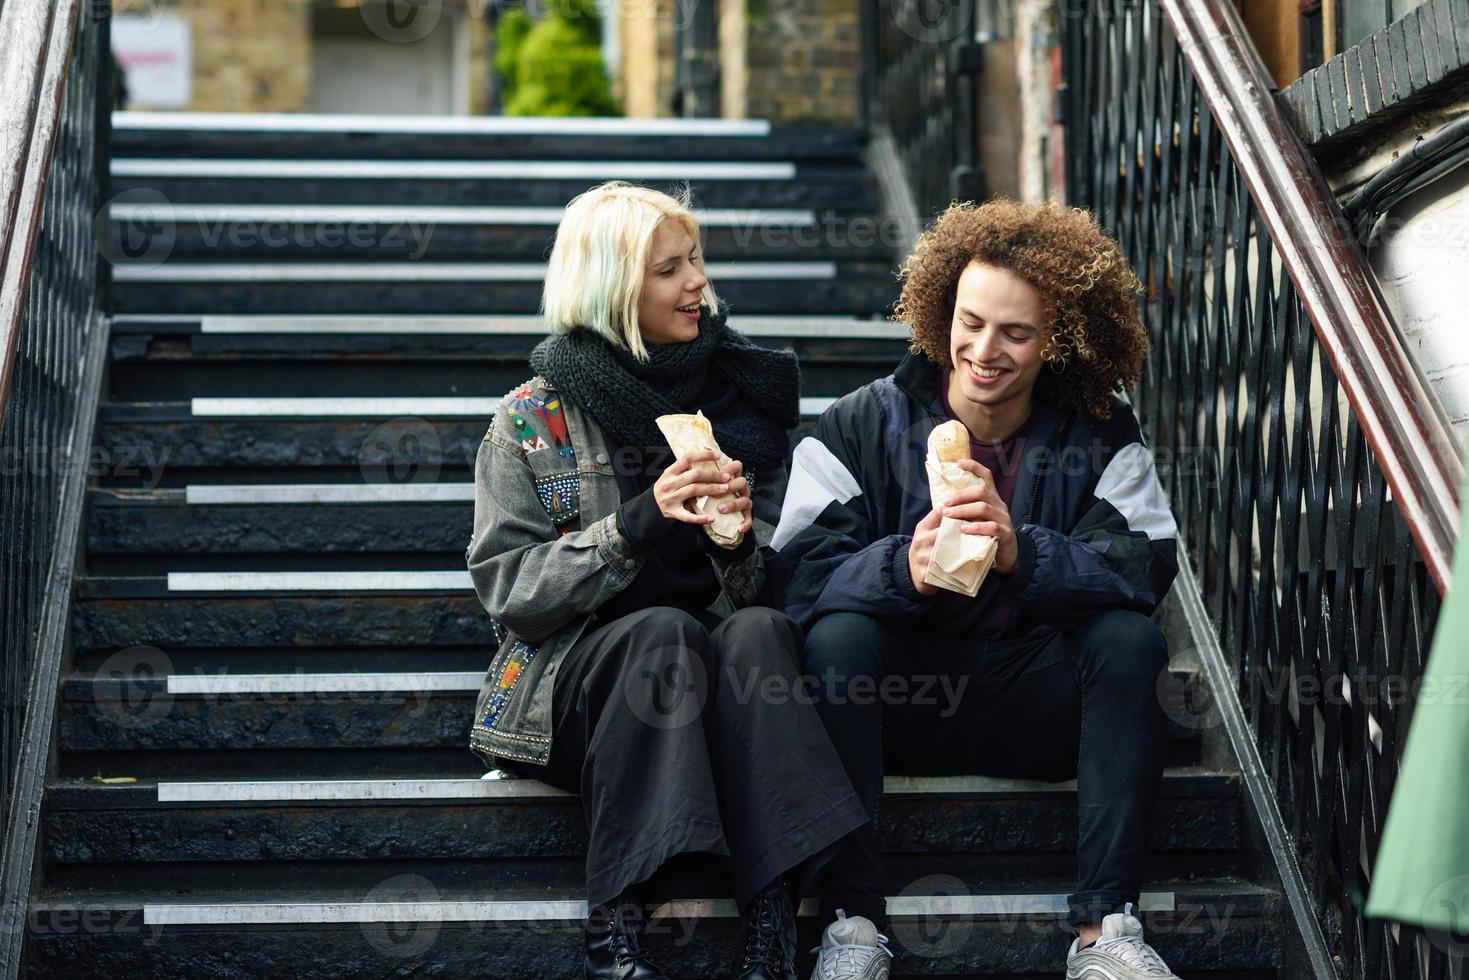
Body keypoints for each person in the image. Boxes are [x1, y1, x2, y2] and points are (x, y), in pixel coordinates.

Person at [465, 181, 869, 980]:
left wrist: (737, 540)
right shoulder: (530, 419)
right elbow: (510, 592)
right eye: (669, 270)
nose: (697, 285)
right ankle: (614, 916)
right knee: (663, 631)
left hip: (717, 683)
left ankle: (771, 922)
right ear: (614, 288)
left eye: (696, 262)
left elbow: (768, 589)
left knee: (757, 631)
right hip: (578, 680)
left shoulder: (738, 400)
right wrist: (631, 526)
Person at [772, 200, 1183, 979]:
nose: (982, 350)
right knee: (835, 637)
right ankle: (852, 926)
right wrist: (904, 567)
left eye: (1015, 332)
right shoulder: (857, 425)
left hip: (1034, 700)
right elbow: (795, 574)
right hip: (895, 706)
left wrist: (1016, 551)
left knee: (1128, 642)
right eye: (969, 322)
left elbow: (1140, 566)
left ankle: (1105, 933)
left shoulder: (1098, 432)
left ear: (1057, 337)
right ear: (938, 311)